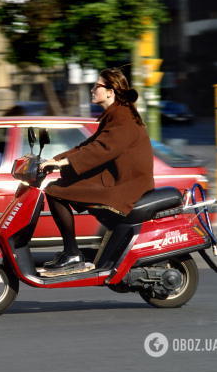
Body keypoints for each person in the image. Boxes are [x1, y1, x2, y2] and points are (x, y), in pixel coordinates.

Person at [39, 68, 155, 271]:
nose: (92, 90)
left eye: (96, 86)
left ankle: (72, 254)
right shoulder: (115, 114)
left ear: (110, 91)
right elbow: (87, 145)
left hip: (126, 186)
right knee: (59, 188)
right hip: (117, 180)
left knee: (54, 191)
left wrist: (62, 164)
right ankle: (77, 252)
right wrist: (54, 160)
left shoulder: (122, 116)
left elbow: (102, 149)